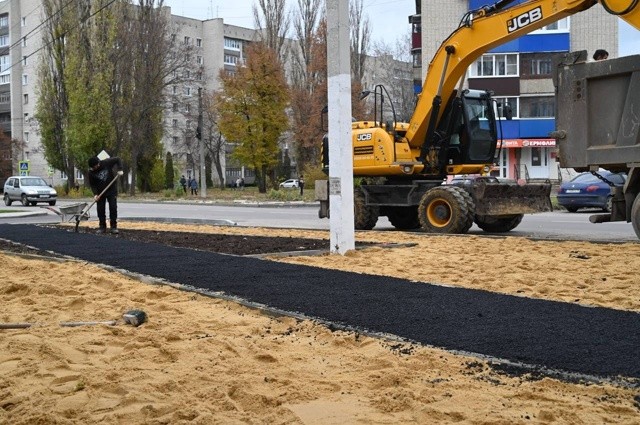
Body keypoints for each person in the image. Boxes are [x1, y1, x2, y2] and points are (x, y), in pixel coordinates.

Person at [88, 156, 124, 234]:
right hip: (100, 192)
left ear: (98, 163)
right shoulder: (91, 172)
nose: (95, 168)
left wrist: (120, 169)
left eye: (96, 166)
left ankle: (113, 227)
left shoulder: (106, 163)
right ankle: (102, 227)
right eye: (93, 167)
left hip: (111, 190)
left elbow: (118, 159)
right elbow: (92, 185)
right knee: (100, 209)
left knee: (113, 207)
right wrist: (95, 194)